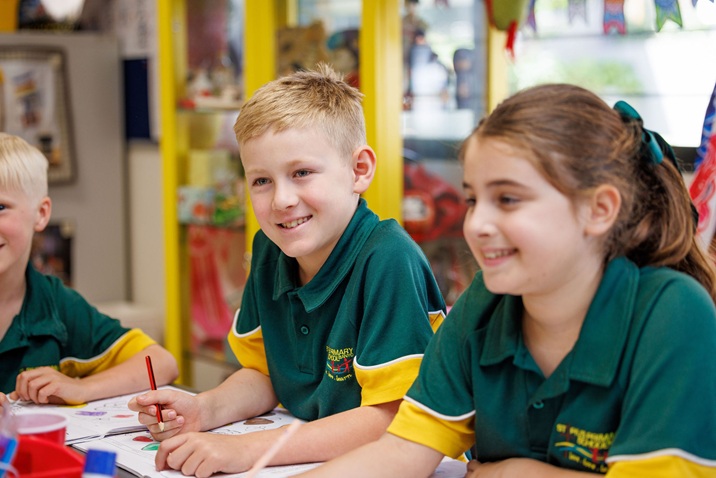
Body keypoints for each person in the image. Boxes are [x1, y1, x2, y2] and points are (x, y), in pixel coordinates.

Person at [297, 83, 716, 477]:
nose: (476, 224)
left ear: (600, 209)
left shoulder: (674, 314)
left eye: (508, 199)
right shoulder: (483, 304)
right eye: (473, 200)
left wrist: (523, 472)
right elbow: (403, 450)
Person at [128, 64, 446, 478]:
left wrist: (247, 450)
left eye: (302, 173)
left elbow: (391, 418)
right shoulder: (269, 248)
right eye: (261, 180)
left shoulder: (388, 258)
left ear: (360, 170)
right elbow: (264, 375)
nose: (281, 200)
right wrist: (204, 409)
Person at [0, 133, 178, 409]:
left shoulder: (54, 303)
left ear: (41, 214)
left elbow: (161, 363)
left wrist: (81, 387)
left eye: (1, 207)